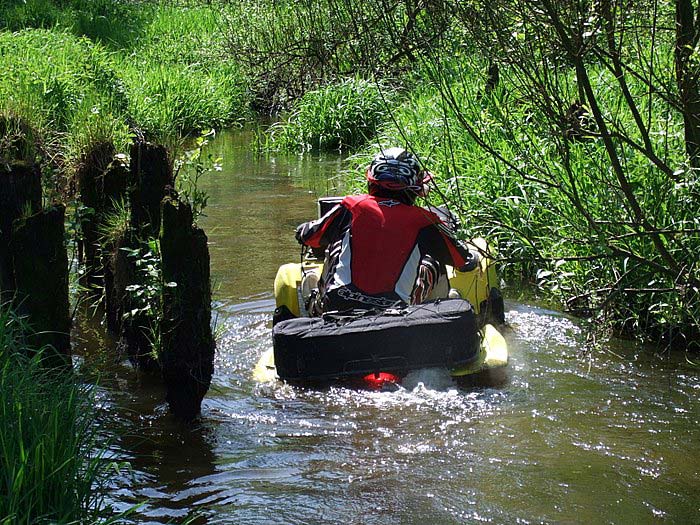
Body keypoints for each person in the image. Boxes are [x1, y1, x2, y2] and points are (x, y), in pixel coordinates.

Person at [295, 147, 478, 314]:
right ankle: (441, 308)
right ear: (413, 188)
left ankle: (313, 302)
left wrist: (303, 229)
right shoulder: (425, 220)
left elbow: (309, 236)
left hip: (336, 308)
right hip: (396, 316)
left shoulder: (352, 206)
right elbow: (464, 261)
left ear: (372, 182)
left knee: (333, 249)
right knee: (434, 263)